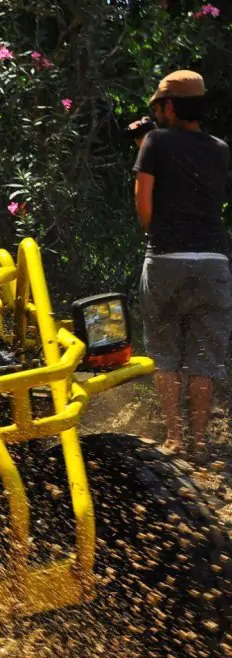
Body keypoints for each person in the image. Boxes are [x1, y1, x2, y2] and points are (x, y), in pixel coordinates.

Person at [134, 69, 231, 462]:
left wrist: (143, 145)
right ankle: (202, 442)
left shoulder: (155, 141)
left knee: (166, 352)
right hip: (213, 261)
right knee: (204, 358)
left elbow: (145, 208)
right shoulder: (221, 148)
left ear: (169, 105)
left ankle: (174, 438)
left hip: (167, 259)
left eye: (159, 107)